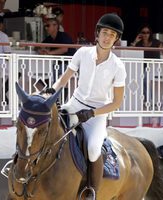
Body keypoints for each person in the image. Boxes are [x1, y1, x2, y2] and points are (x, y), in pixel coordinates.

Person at [47, 13, 126, 199]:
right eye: (105, 32)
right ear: (97, 33)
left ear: (116, 40)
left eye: (112, 35)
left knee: (92, 149)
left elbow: (116, 102)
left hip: (97, 114)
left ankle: (91, 190)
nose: (107, 38)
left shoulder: (118, 66)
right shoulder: (82, 53)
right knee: (47, 127)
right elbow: (64, 79)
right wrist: (51, 91)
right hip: (74, 104)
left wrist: (92, 113)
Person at [130, 24, 163, 103]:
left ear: (150, 33)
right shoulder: (139, 44)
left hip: (155, 68)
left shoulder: (156, 43)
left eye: (147, 32)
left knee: (145, 78)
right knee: (139, 77)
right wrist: (135, 41)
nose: (146, 34)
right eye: (143, 32)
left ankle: (148, 100)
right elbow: (130, 51)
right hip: (141, 68)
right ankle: (144, 99)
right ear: (140, 33)